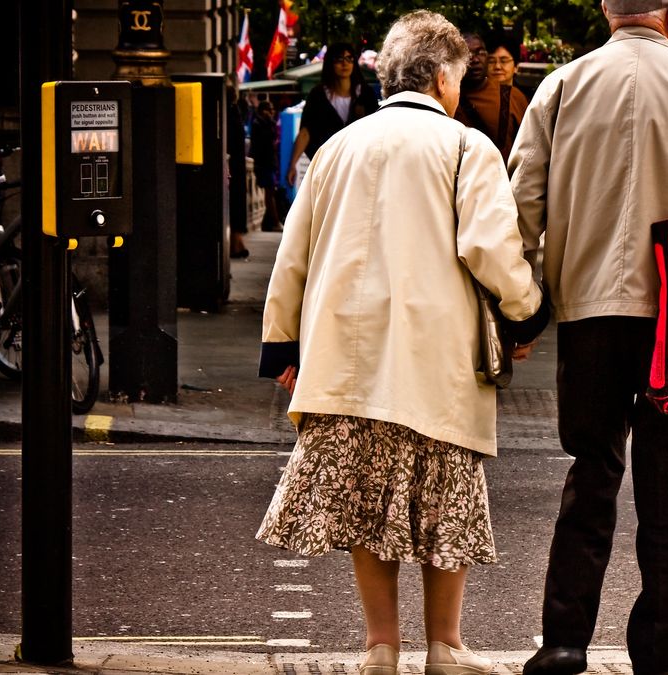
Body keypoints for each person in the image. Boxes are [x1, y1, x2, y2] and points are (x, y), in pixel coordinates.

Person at [256, 10, 547, 675]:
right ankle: (444, 645)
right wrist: (526, 312)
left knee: (367, 508)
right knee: (444, 506)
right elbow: (492, 250)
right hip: (435, 363)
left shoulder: (337, 148)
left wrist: (282, 346)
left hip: (346, 360)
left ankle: (379, 648)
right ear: (446, 76)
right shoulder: (466, 147)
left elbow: (292, 255)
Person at [508, 1, 668, 674]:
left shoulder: (561, 86)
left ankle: (564, 641)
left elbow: (520, 210)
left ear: (607, 10)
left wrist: (522, 307)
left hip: (589, 313)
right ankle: (657, 651)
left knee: (590, 474)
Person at [285, 42, 380, 186]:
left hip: (359, 168)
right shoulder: (317, 96)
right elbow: (305, 132)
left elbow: (377, 132)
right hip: (328, 169)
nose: (345, 64)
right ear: (330, 63)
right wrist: (292, 165)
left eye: (349, 58)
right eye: (339, 59)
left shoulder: (366, 94)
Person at [454, 32, 529, 158]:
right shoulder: (447, 98)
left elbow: (531, 146)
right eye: (467, 54)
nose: (475, 59)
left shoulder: (514, 97)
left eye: (480, 53)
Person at [249, 99, 282, 232]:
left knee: (270, 192)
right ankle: (274, 222)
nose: (272, 112)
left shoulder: (267, 123)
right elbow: (264, 142)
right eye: (270, 110)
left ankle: (266, 223)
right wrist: (270, 122)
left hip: (270, 163)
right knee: (269, 193)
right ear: (264, 111)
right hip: (264, 164)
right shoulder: (258, 124)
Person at [226, 78, 250, 258]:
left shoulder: (231, 112)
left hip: (234, 165)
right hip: (235, 166)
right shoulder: (233, 112)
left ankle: (236, 240)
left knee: (235, 202)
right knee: (236, 202)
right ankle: (236, 241)